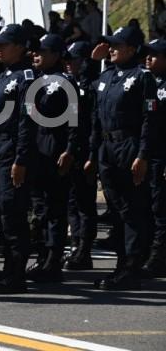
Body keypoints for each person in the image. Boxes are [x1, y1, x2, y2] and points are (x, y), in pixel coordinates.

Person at [87, 25, 155, 290]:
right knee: (117, 210)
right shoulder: (106, 76)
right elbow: (93, 113)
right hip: (107, 147)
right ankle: (121, 265)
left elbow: (150, 120)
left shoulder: (142, 77)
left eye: (116, 45)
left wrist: (143, 155)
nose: (111, 49)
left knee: (132, 209)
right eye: (110, 45)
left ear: (131, 49)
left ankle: (131, 267)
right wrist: (93, 153)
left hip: (129, 146)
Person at [0, 24, 37, 294]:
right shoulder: (5, 74)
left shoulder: (26, 78)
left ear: (19, 47)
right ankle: (7, 271)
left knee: (13, 215)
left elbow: (27, 123)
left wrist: (21, 160)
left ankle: (16, 275)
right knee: (4, 214)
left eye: (2, 45)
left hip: (12, 150)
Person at [25, 34, 79, 284]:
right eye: (35, 51)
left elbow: (75, 122)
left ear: (56, 55)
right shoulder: (34, 80)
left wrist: (69, 150)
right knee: (39, 209)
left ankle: (53, 261)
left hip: (55, 147)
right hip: (36, 147)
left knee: (55, 209)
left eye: (43, 52)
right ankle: (42, 256)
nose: (37, 55)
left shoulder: (65, 83)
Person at [63, 41, 99, 271]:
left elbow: (95, 123)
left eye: (73, 59)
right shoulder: (69, 84)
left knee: (84, 203)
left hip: (85, 149)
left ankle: (84, 248)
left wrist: (92, 156)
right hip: (70, 150)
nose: (68, 63)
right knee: (72, 202)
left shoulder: (92, 86)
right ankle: (75, 243)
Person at [140, 39, 166, 278]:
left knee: (160, 208)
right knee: (147, 205)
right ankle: (148, 251)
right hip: (149, 153)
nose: (148, 58)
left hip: (162, 156)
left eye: (154, 55)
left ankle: (159, 257)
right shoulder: (147, 81)